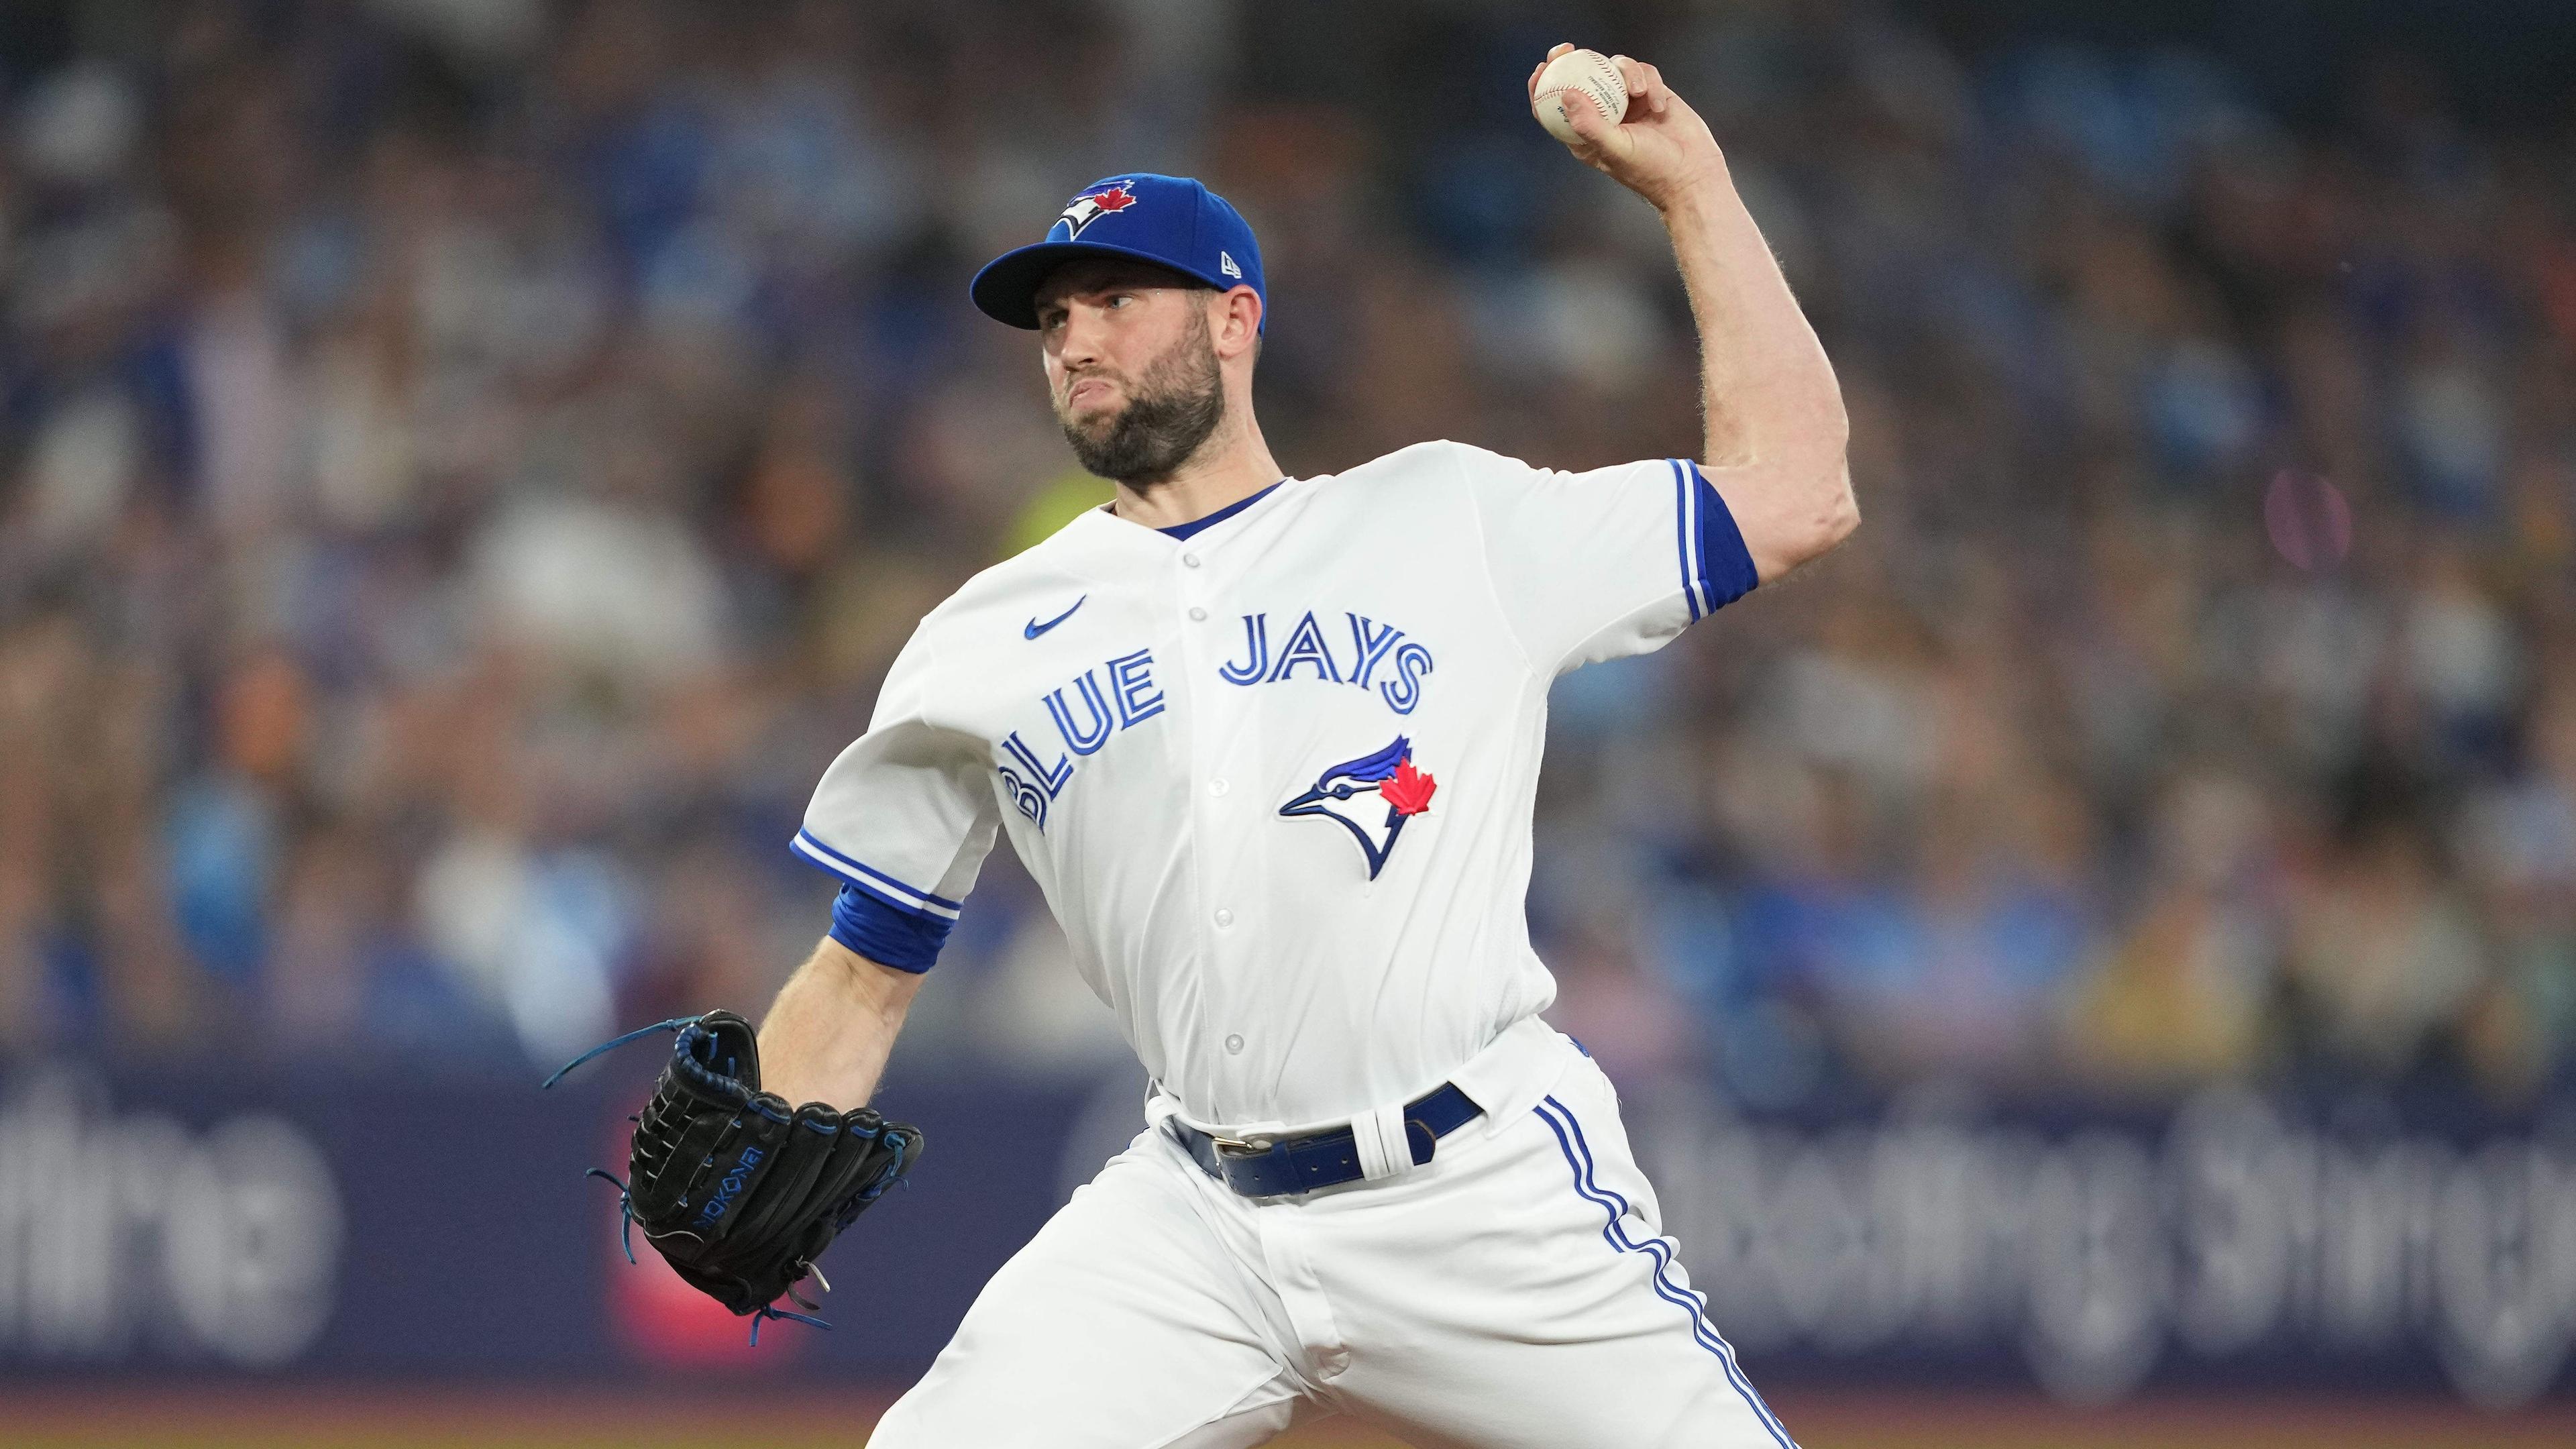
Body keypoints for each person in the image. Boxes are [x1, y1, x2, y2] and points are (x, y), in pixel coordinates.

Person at [765, 46, 1854, 1448]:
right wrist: (766, 1159)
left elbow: (1799, 488)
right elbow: (862, 970)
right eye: (1051, 321)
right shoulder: (985, 636)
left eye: (1114, 300)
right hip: (1195, 1220)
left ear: (1234, 321)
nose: (1075, 341)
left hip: (1479, 1188)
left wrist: (1694, 186)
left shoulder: (1447, 520)